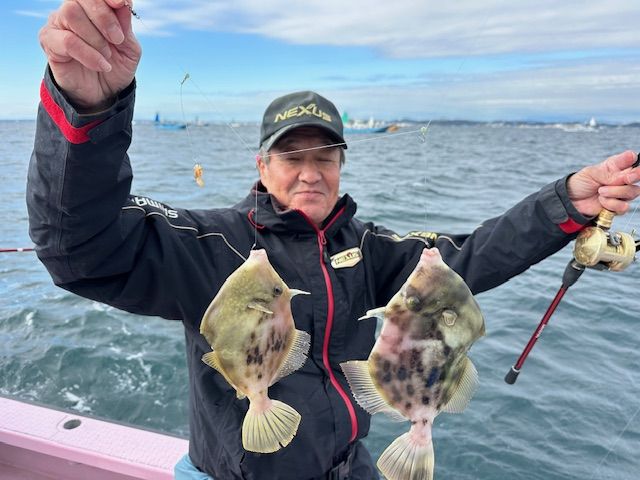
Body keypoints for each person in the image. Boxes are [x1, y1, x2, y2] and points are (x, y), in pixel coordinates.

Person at [29, 1, 640, 479]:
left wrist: (566, 203)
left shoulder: (369, 247)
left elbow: (474, 256)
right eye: (290, 156)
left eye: (325, 155)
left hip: (350, 467)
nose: (310, 172)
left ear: (342, 165)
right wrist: (86, 109)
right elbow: (80, 249)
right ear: (261, 166)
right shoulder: (210, 243)